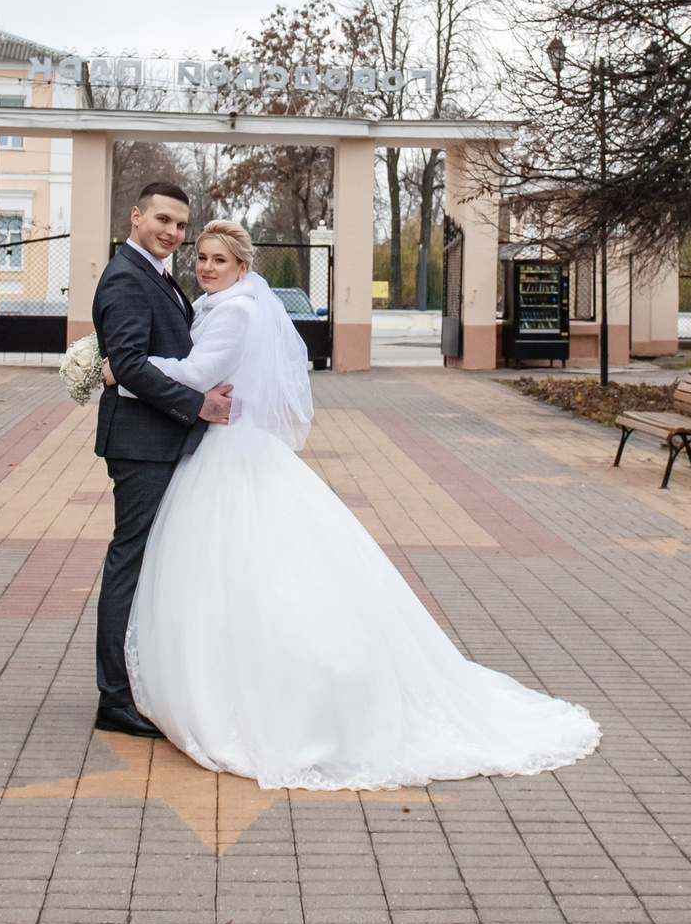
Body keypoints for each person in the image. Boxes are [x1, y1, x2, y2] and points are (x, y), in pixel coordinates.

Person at [113, 218, 600, 790]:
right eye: (201, 257)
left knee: (243, 569)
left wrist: (120, 369)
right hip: (226, 444)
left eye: (219, 259)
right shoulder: (217, 305)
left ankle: (262, 693)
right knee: (229, 572)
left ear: (243, 266)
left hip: (230, 452)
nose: (205, 267)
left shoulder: (237, 311)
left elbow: (198, 373)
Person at [88, 183, 234, 739]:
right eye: (162, 219)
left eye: (179, 225)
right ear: (136, 216)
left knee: (149, 563)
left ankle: (138, 680)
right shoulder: (127, 277)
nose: (172, 232)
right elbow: (128, 363)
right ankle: (115, 698)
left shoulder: (156, 273)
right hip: (142, 444)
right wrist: (197, 405)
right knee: (130, 562)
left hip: (155, 437)